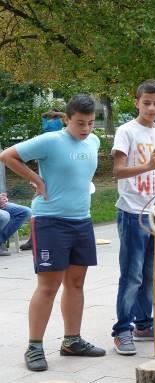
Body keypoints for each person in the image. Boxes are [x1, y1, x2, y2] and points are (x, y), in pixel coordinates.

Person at [0, 94, 105, 371]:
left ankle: (72, 341)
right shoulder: (51, 141)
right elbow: (7, 156)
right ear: (66, 119)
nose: (85, 129)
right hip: (50, 221)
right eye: (80, 123)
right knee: (48, 286)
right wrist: (37, 180)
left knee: (77, 283)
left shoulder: (94, 141)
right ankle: (34, 346)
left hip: (82, 220)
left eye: (91, 123)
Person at [111, 80, 155, 356]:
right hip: (132, 212)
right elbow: (117, 171)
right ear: (136, 102)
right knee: (132, 275)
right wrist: (147, 165)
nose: (151, 107)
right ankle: (122, 330)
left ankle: (144, 324)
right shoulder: (126, 131)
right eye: (146, 102)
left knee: (150, 274)